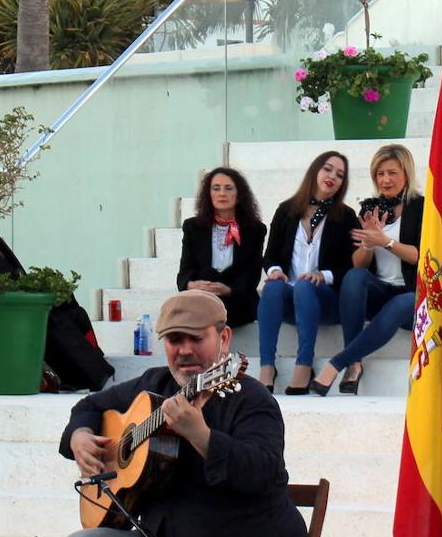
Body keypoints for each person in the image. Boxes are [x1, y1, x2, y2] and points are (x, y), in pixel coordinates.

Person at [57, 290, 308, 537]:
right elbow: (87, 407)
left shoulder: (251, 400)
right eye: (175, 340)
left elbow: (262, 471)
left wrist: (202, 436)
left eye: (196, 338)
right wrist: (80, 436)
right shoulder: (152, 386)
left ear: (223, 340)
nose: (185, 350)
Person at [312, 144, 423, 396]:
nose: (385, 179)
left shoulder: (421, 208)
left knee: (400, 303)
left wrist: (385, 241)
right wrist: (368, 243)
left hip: (412, 295)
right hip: (380, 292)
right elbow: (359, 264)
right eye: (380, 173)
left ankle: (339, 362)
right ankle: (355, 362)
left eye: (392, 172)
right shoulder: (371, 208)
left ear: (406, 173)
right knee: (354, 277)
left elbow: (420, 256)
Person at [256, 151, 359, 394]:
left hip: (325, 300)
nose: (332, 176)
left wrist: (324, 275)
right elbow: (270, 255)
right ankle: (267, 367)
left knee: (304, 285)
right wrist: (275, 271)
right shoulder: (286, 210)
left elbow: (352, 266)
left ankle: (304, 365)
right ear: (315, 171)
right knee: (272, 286)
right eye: (327, 169)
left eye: (340, 174)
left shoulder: (345, 217)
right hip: (291, 301)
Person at [176, 167, 266, 328]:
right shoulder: (193, 227)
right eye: (216, 188)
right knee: (206, 278)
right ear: (208, 195)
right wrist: (191, 285)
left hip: (237, 299)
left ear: (239, 195)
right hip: (202, 296)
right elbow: (185, 272)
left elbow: (252, 275)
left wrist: (228, 289)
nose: (222, 193)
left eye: (228, 188)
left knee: (209, 309)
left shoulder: (255, 229)